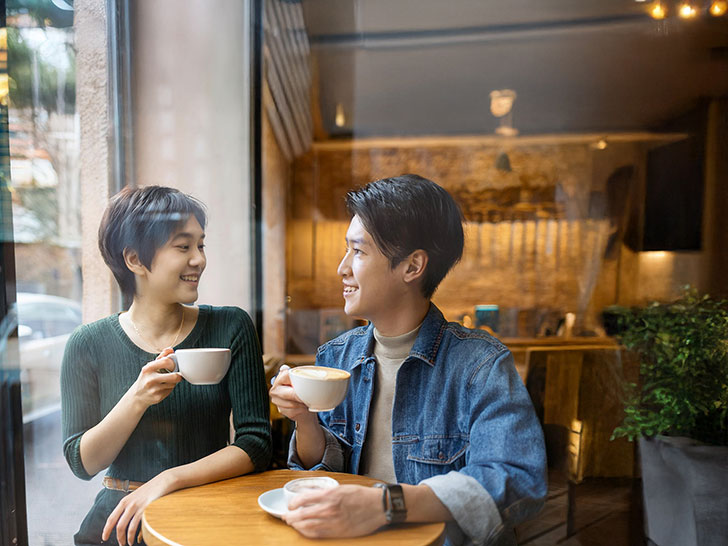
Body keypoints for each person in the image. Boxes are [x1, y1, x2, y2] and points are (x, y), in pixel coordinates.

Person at [270, 174, 546, 545]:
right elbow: (324, 470)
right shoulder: (336, 355)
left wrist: (386, 504)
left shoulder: (480, 365)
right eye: (347, 250)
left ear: (413, 267)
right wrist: (304, 419)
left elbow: (516, 480)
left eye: (359, 251)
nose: (342, 268)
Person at [61, 186, 271, 546]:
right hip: (119, 521)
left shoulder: (231, 326)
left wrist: (167, 480)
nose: (199, 259)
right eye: (183, 246)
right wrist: (137, 399)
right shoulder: (88, 343)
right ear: (135, 260)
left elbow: (257, 444)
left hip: (206, 515)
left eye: (201, 245)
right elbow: (83, 462)